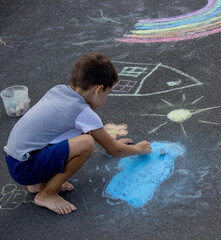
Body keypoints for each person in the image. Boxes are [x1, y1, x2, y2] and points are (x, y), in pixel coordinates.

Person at [3, 53, 152, 215]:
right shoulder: (82, 111)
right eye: (107, 94)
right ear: (98, 90)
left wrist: (111, 142)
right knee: (86, 143)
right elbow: (113, 150)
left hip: (16, 160)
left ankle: (38, 184)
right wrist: (138, 149)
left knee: (78, 135)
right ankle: (47, 194)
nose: (106, 98)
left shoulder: (58, 91)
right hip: (26, 167)